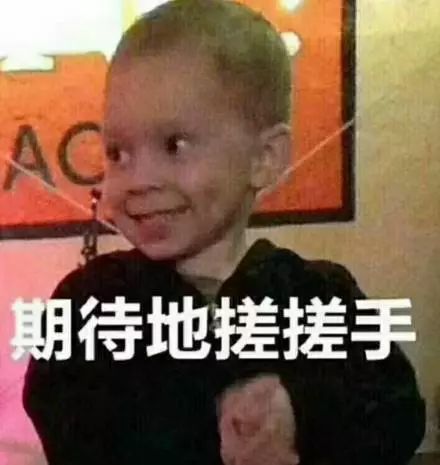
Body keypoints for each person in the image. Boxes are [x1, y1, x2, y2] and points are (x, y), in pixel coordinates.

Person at [23, 1, 426, 465]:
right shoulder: (89, 301)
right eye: (118, 153)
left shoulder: (320, 294)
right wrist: (211, 418)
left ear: (264, 159)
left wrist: (300, 412)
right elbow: (67, 420)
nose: (138, 179)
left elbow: (398, 412)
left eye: (174, 145)